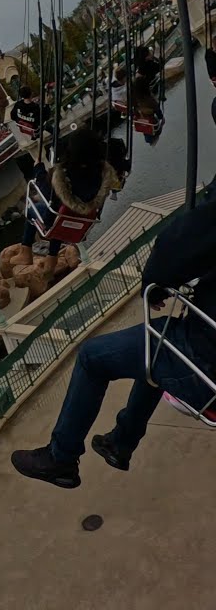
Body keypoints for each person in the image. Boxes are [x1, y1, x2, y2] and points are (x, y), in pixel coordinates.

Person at [11, 193, 216, 488]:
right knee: (154, 343)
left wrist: (155, 287)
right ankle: (121, 443)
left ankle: (61, 458)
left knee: (92, 357)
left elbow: (172, 250)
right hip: (200, 353)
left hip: (203, 366)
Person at [21, 131, 116, 256]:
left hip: (56, 222)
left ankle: (25, 252)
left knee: (33, 208)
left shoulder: (63, 174)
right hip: (82, 224)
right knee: (62, 214)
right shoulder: (102, 173)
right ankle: (52, 257)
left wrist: (38, 169)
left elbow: (45, 192)